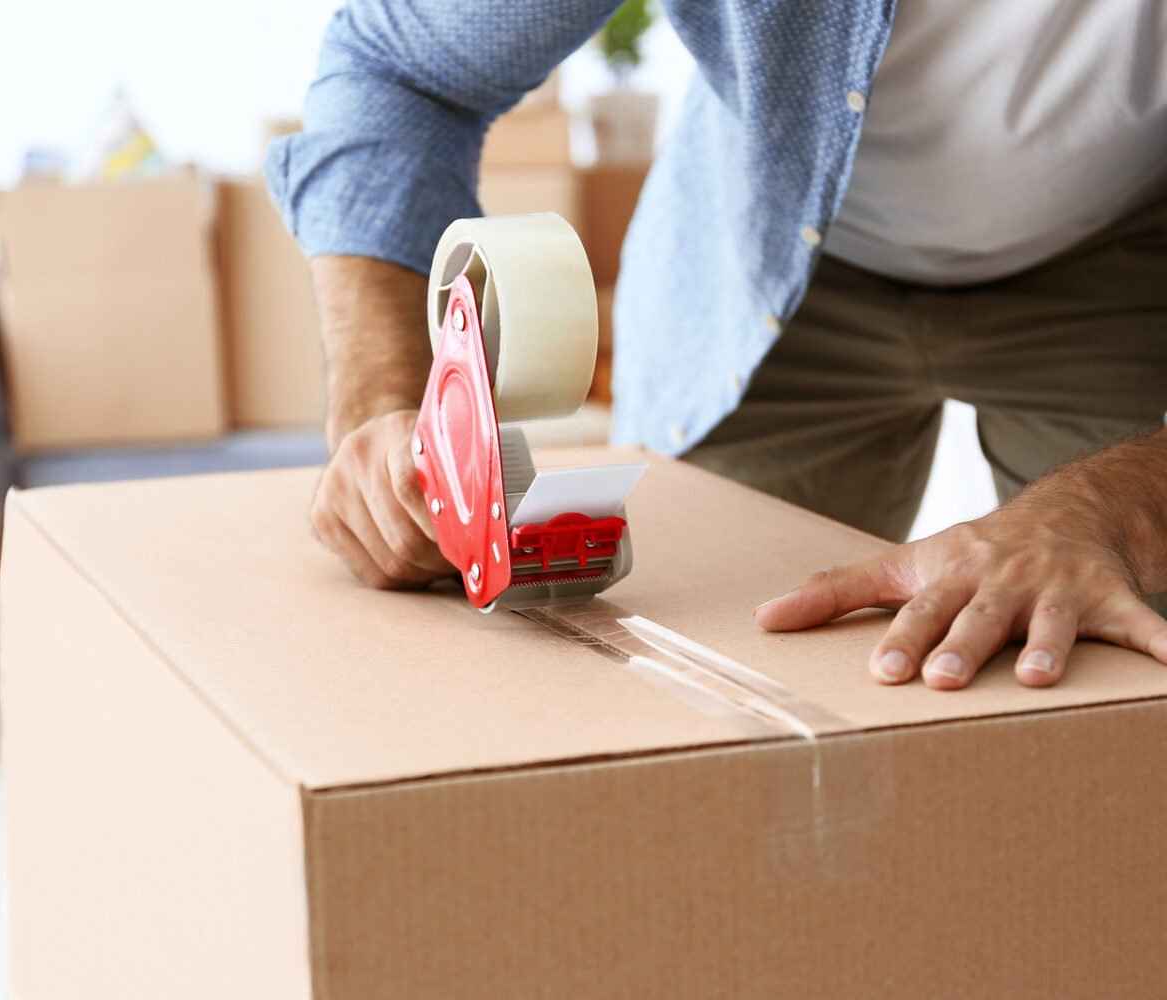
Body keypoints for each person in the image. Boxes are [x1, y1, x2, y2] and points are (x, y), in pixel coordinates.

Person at [266, 1, 1167, 692]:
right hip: (770, 247)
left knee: (1117, 657)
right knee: (685, 665)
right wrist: (389, 405)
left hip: (1121, 258)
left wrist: (1109, 508)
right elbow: (403, 72)